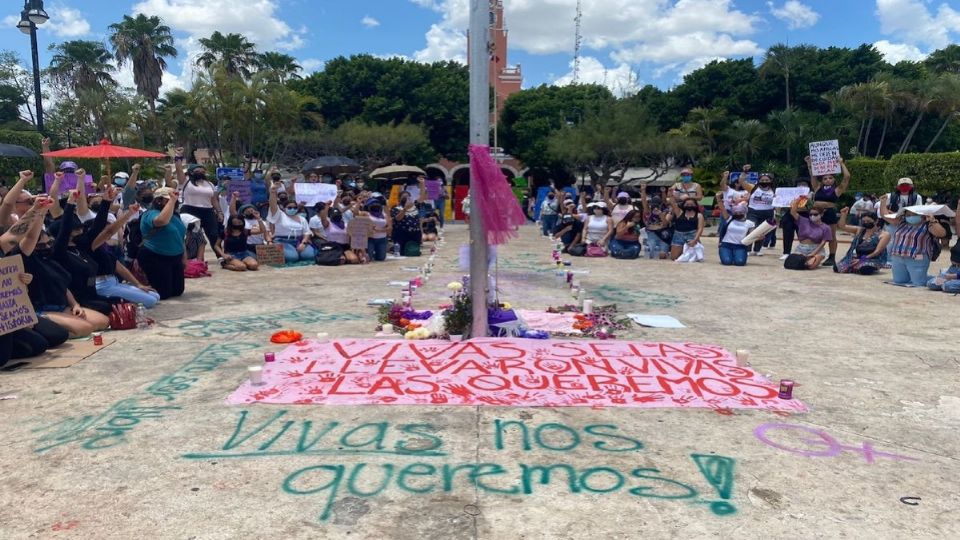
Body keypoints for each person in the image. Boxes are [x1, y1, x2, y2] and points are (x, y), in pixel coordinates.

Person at [880, 195, 948, 287]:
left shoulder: (927, 225)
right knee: (899, 281)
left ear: (922, 215)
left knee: (919, 282)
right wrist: (883, 203)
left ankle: (940, 279)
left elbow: (941, 233)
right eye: (908, 215)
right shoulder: (901, 222)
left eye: (915, 214)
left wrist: (932, 220)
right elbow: (885, 216)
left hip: (917, 258)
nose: (911, 217)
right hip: (898, 257)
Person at [138, 187, 186, 299]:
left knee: (178, 291)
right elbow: (161, 221)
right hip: (156, 256)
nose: (174, 201)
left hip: (175, 257)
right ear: (158, 201)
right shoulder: (150, 214)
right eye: (168, 199)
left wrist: (184, 256)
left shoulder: (175, 216)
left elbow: (180, 236)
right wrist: (172, 201)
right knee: (163, 294)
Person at [806, 156, 851, 267]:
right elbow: (812, 176)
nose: (827, 180)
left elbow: (847, 177)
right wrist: (809, 164)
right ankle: (813, 253)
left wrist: (841, 163)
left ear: (834, 179)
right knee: (813, 234)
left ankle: (831, 257)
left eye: (830, 178)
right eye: (825, 178)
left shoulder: (837, 189)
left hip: (829, 213)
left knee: (831, 236)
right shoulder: (817, 187)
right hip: (816, 213)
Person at [180, 158, 225, 262]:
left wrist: (219, 212)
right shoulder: (185, 181)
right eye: (197, 171)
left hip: (207, 210)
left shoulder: (209, 184)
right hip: (190, 209)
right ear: (191, 172)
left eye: (203, 171)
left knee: (213, 234)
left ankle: (220, 256)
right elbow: (178, 171)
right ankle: (186, 258)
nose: (200, 173)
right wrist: (178, 157)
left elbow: (214, 200)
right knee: (189, 235)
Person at [267, 174, 314, 264]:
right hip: (282, 241)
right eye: (289, 207)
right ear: (284, 208)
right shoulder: (279, 215)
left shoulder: (301, 218)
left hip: (298, 240)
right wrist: (273, 192)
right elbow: (273, 205)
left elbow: (307, 233)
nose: (292, 209)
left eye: (294, 208)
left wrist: (303, 243)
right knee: (292, 258)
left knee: (309, 256)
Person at [833, 207, 890, 275]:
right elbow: (842, 226)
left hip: (872, 258)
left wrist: (862, 260)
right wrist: (843, 215)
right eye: (864, 221)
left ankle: (862, 267)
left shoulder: (884, 234)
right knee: (836, 268)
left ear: (876, 221)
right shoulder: (859, 230)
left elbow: (877, 252)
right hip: (856, 256)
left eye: (868, 221)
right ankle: (855, 266)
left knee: (865, 269)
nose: (866, 223)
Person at [787, 199, 832, 269]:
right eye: (810, 214)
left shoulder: (826, 227)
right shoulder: (803, 221)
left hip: (816, 249)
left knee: (810, 266)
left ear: (821, 214)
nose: (812, 216)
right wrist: (797, 202)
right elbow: (793, 212)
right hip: (801, 248)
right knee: (792, 264)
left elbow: (823, 242)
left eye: (815, 214)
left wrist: (813, 253)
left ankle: (813, 259)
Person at [390, 178, 428, 256]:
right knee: (403, 253)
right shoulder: (395, 208)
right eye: (403, 197)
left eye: (407, 197)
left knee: (413, 252)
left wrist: (423, 184)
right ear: (399, 199)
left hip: (415, 234)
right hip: (401, 234)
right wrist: (405, 209)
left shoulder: (415, 205)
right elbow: (397, 218)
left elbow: (422, 197)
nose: (406, 199)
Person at [716, 196, 755, 266]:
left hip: (740, 245)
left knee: (740, 262)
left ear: (744, 212)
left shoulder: (749, 223)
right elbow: (722, 208)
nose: (738, 214)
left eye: (740, 212)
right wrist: (718, 199)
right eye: (736, 212)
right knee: (726, 262)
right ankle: (728, 255)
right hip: (726, 244)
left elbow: (752, 235)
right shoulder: (729, 219)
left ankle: (735, 255)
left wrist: (759, 237)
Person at [639, 183, 673, 259]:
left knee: (661, 255)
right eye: (653, 204)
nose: (655, 206)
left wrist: (661, 215)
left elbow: (665, 224)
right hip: (651, 234)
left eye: (657, 204)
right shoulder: (648, 211)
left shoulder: (666, 211)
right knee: (650, 255)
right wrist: (643, 190)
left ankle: (666, 251)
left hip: (663, 235)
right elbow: (643, 201)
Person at [746, 174, 776, 256]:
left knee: (762, 231)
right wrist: (745, 172)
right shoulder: (753, 188)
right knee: (751, 229)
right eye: (762, 180)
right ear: (759, 181)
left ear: (771, 181)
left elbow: (778, 202)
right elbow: (742, 181)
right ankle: (748, 249)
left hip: (768, 213)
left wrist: (777, 214)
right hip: (753, 212)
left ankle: (757, 250)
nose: (764, 182)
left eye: (766, 180)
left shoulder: (774, 190)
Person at [667, 195, 705, 260]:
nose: (689, 205)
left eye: (691, 204)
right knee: (674, 257)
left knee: (693, 257)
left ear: (695, 205)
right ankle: (683, 251)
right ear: (683, 205)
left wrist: (695, 240)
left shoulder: (699, 215)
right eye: (687, 204)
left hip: (692, 235)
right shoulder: (679, 212)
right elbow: (672, 203)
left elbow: (700, 228)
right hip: (678, 235)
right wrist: (671, 194)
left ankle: (687, 251)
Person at [365, 194, 390, 261]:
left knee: (381, 258)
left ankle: (376, 253)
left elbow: (389, 227)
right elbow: (355, 213)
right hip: (370, 238)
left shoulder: (384, 215)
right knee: (369, 258)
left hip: (382, 238)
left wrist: (380, 230)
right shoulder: (366, 214)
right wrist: (359, 202)